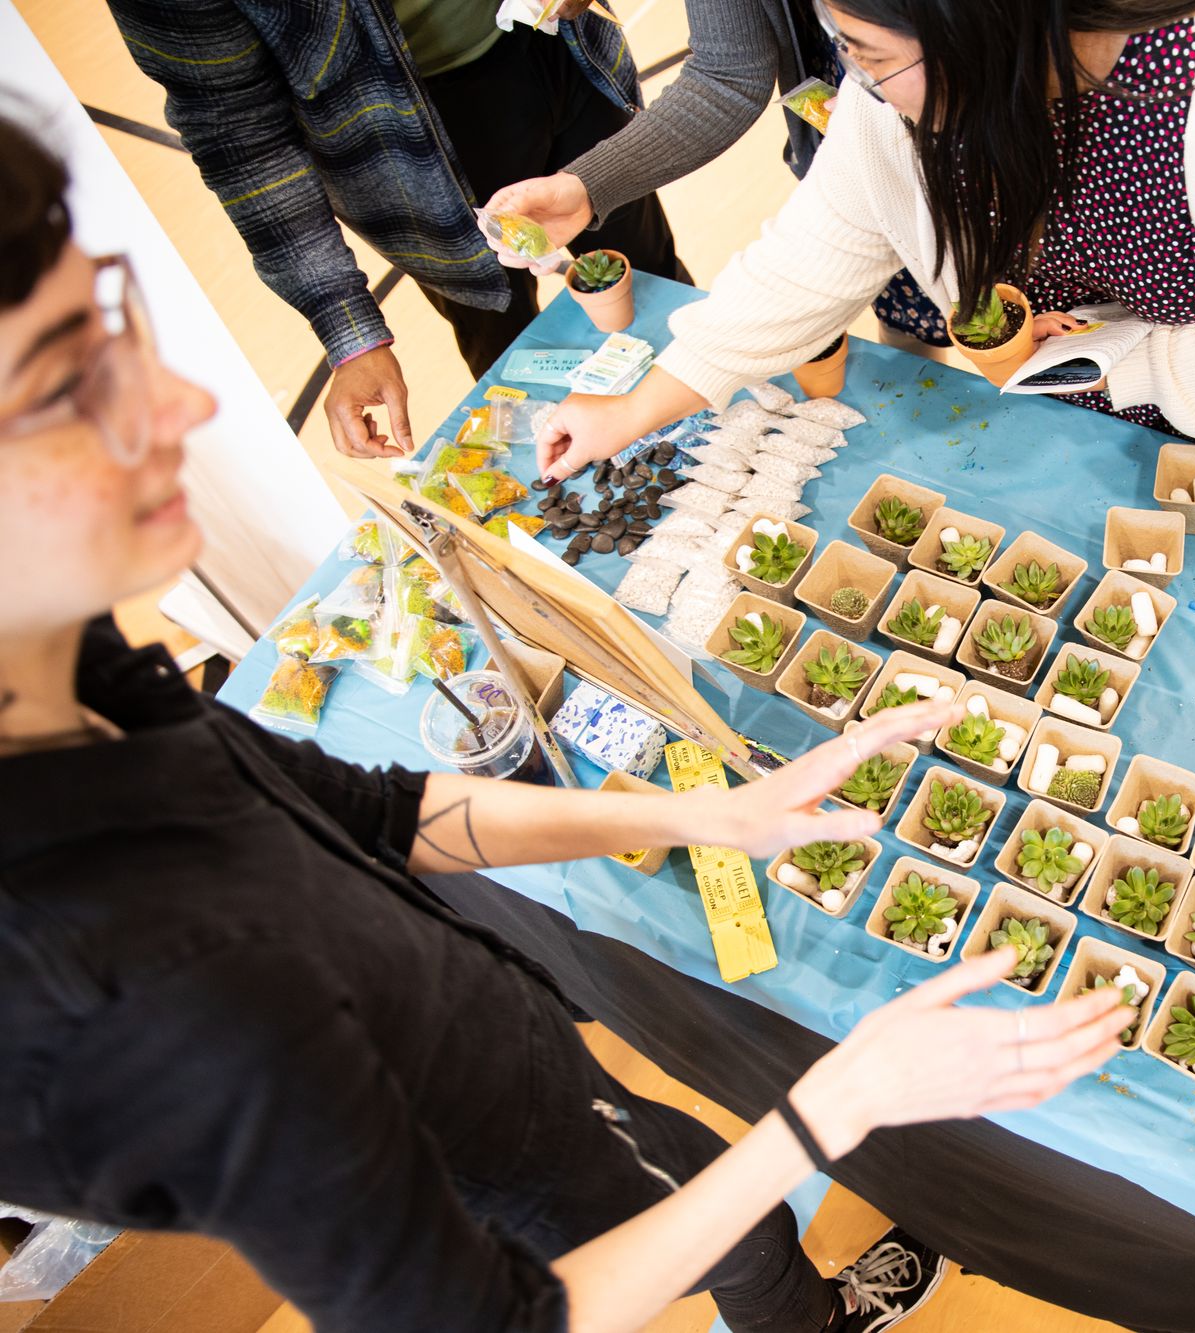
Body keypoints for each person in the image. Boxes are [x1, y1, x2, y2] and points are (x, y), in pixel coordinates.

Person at [0, 117, 1130, 1333]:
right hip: (493, 1141)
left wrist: (703, 811)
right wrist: (830, 1107)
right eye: (65, 383)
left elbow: (376, 811)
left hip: (486, 1045)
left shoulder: (68, 670)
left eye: (116, 321)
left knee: (719, 1206)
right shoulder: (149, 989)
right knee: (718, 1216)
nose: (179, 401)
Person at [528, 0, 1195, 499]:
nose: (856, 82)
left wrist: (1113, 358)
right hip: (1107, 354)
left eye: (866, 52)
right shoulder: (921, 80)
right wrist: (639, 405)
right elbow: (816, 250)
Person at [106, 0, 679, 460]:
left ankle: (699, 407)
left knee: (648, 274)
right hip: (401, 148)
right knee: (507, 347)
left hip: (555, 42)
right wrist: (349, 331)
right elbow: (241, 141)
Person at [482, 0, 962, 350]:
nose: (859, 71)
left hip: (1003, 141)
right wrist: (586, 187)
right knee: (911, 313)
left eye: (871, 59)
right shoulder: (858, 170)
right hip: (861, 158)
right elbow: (727, 73)